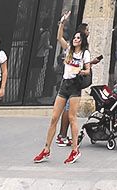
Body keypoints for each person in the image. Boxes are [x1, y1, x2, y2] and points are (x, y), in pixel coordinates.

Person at [35, 13, 98, 165]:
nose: (75, 39)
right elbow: (59, 38)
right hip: (65, 84)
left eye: (78, 38)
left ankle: (75, 149)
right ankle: (46, 149)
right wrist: (62, 23)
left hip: (75, 86)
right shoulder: (69, 49)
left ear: (82, 41)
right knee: (54, 118)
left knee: (72, 117)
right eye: (75, 37)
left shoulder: (85, 53)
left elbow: (88, 71)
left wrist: (80, 71)